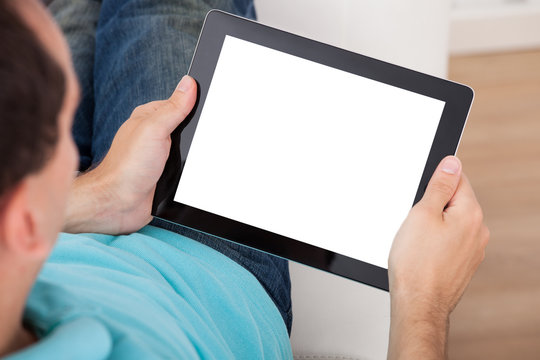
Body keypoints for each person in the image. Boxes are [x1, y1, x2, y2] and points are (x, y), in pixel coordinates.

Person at [0, 0, 489, 359]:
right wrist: (424, 302)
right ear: (26, 221)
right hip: (198, 264)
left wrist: (96, 195)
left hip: (93, 215)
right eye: (58, 140)